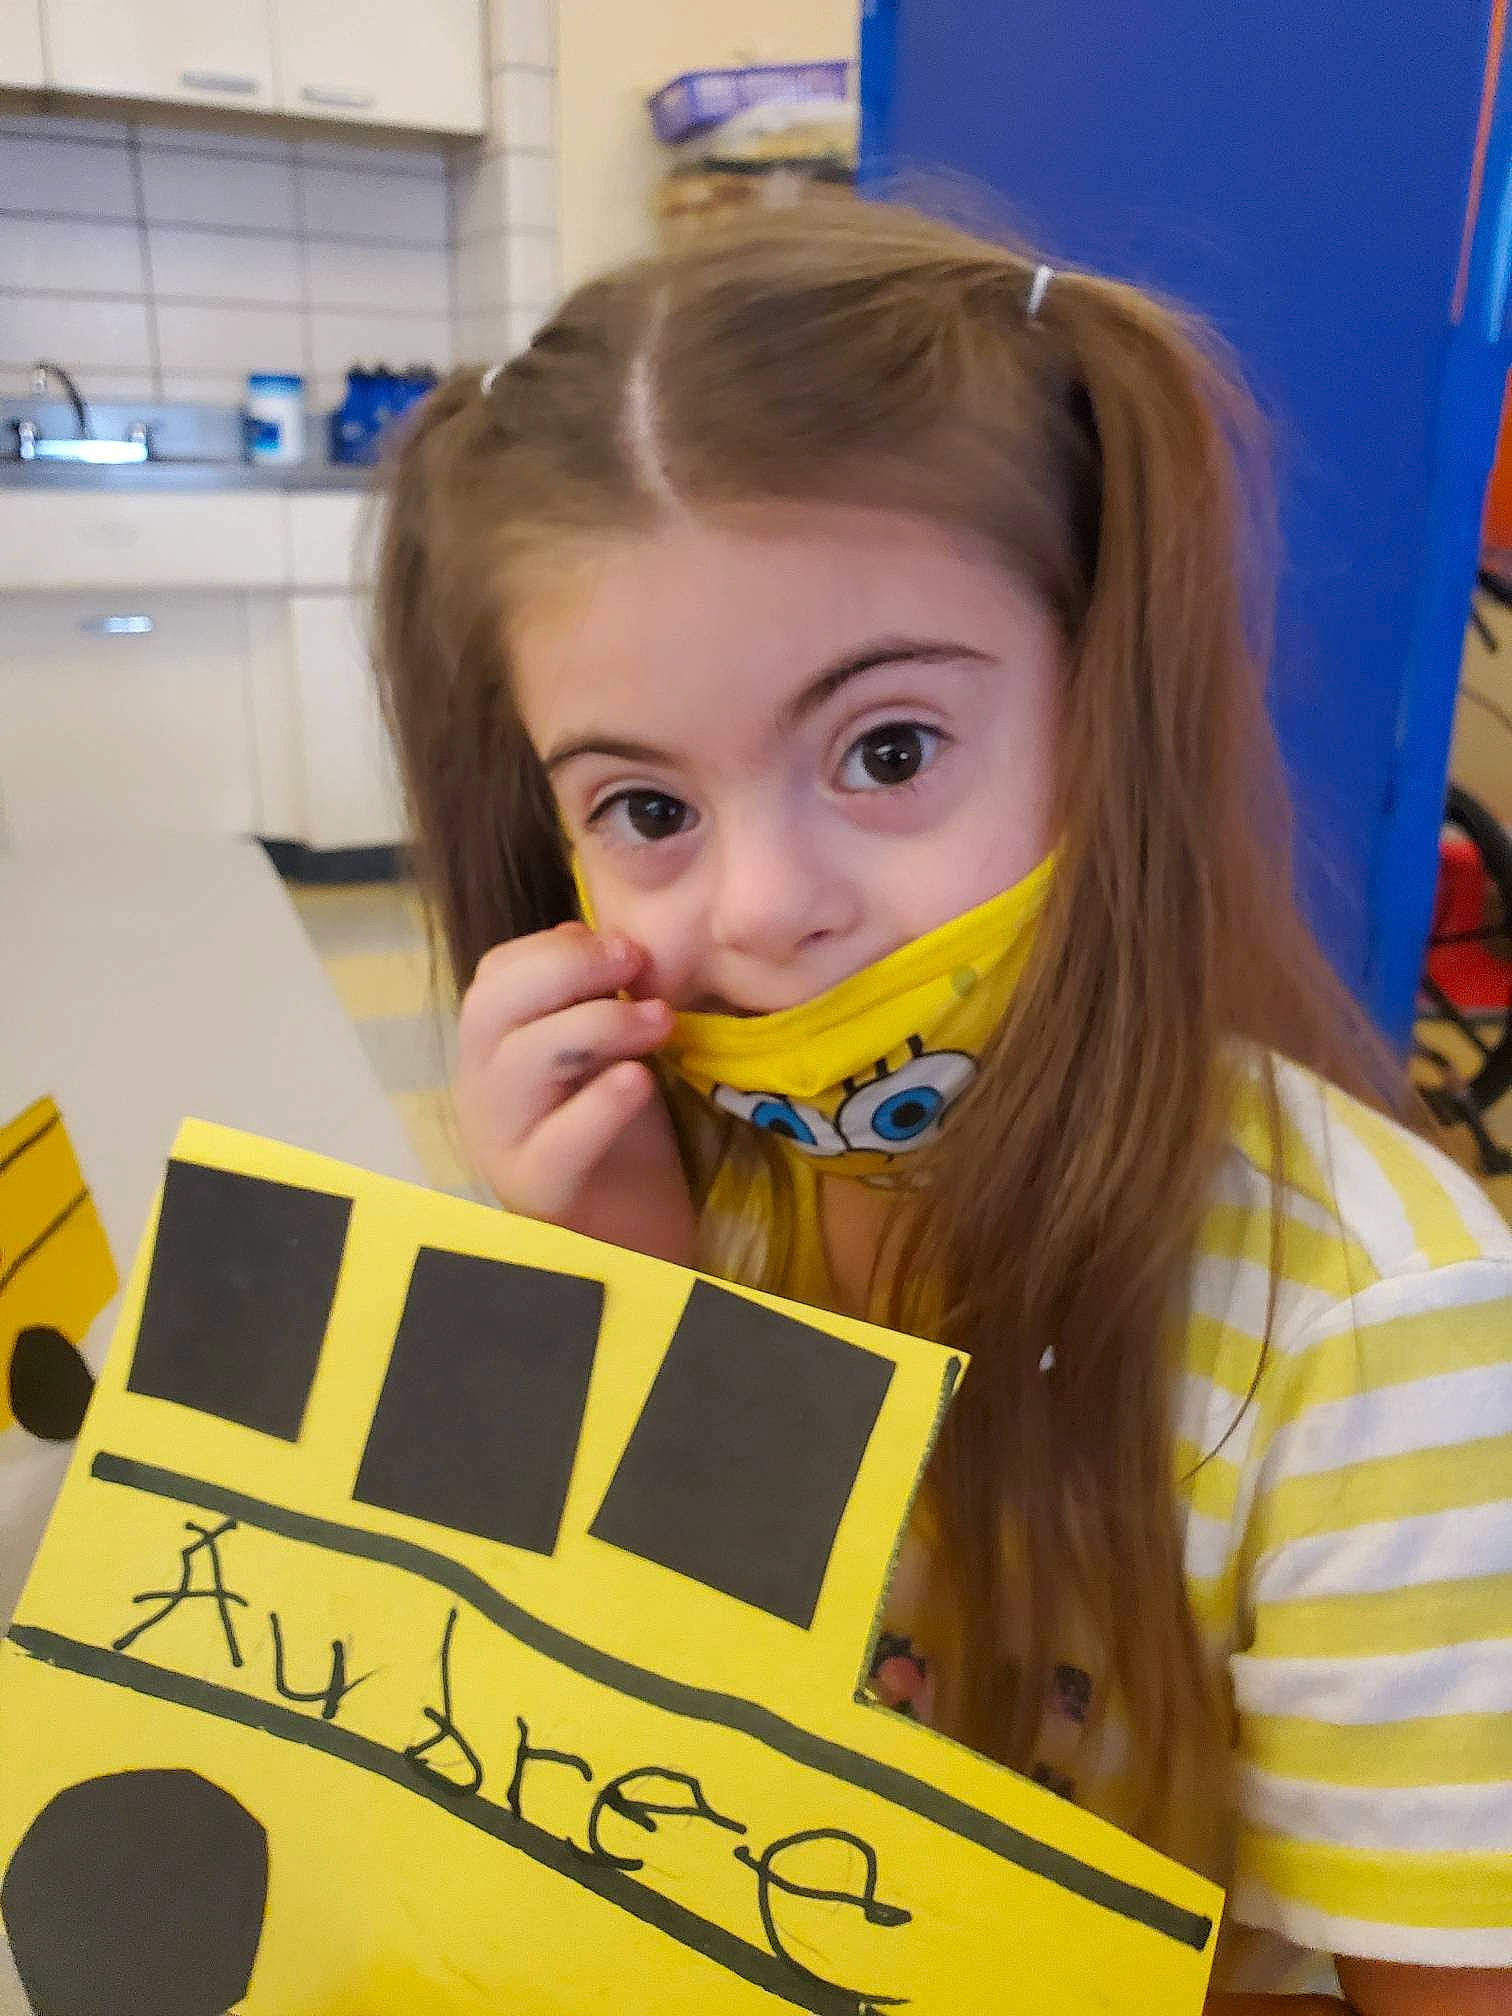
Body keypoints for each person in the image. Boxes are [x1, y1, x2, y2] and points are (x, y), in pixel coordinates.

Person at [374, 199, 1512, 2010]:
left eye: (889, 752)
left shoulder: (1380, 1335)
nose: (760, 912)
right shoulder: (652, 1176)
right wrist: (633, 1308)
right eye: (646, 812)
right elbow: (630, 1769)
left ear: (1105, 711)